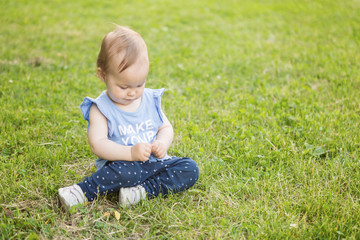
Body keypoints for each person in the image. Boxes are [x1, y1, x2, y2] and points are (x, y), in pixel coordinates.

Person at [58, 26, 199, 210]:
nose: (133, 93)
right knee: (127, 174)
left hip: (153, 163)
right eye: (124, 87)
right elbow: (97, 144)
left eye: (139, 84)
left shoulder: (149, 99)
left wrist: (162, 144)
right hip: (121, 165)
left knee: (189, 168)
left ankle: (141, 191)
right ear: (103, 75)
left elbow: (165, 128)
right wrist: (131, 153)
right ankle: (81, 191)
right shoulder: (100, 108)